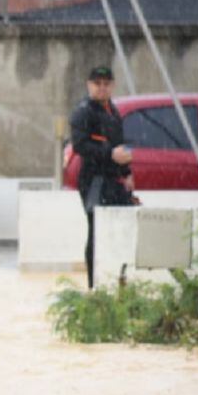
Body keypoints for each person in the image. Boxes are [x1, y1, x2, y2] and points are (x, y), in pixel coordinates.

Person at [69, 65, 138, 289]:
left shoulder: (113, 111)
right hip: (93, 181)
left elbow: (120, 145)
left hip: (113, 180)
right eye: (97, 84)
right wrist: (109, 153)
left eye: (106, 84)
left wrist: (127, 174)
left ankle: (118, 279)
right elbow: (80, 145)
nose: (101, 88)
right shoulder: (83, 112)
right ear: (89, 85)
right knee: (97, 229)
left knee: (121, 227)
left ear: (112, 86)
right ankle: (93, 284)